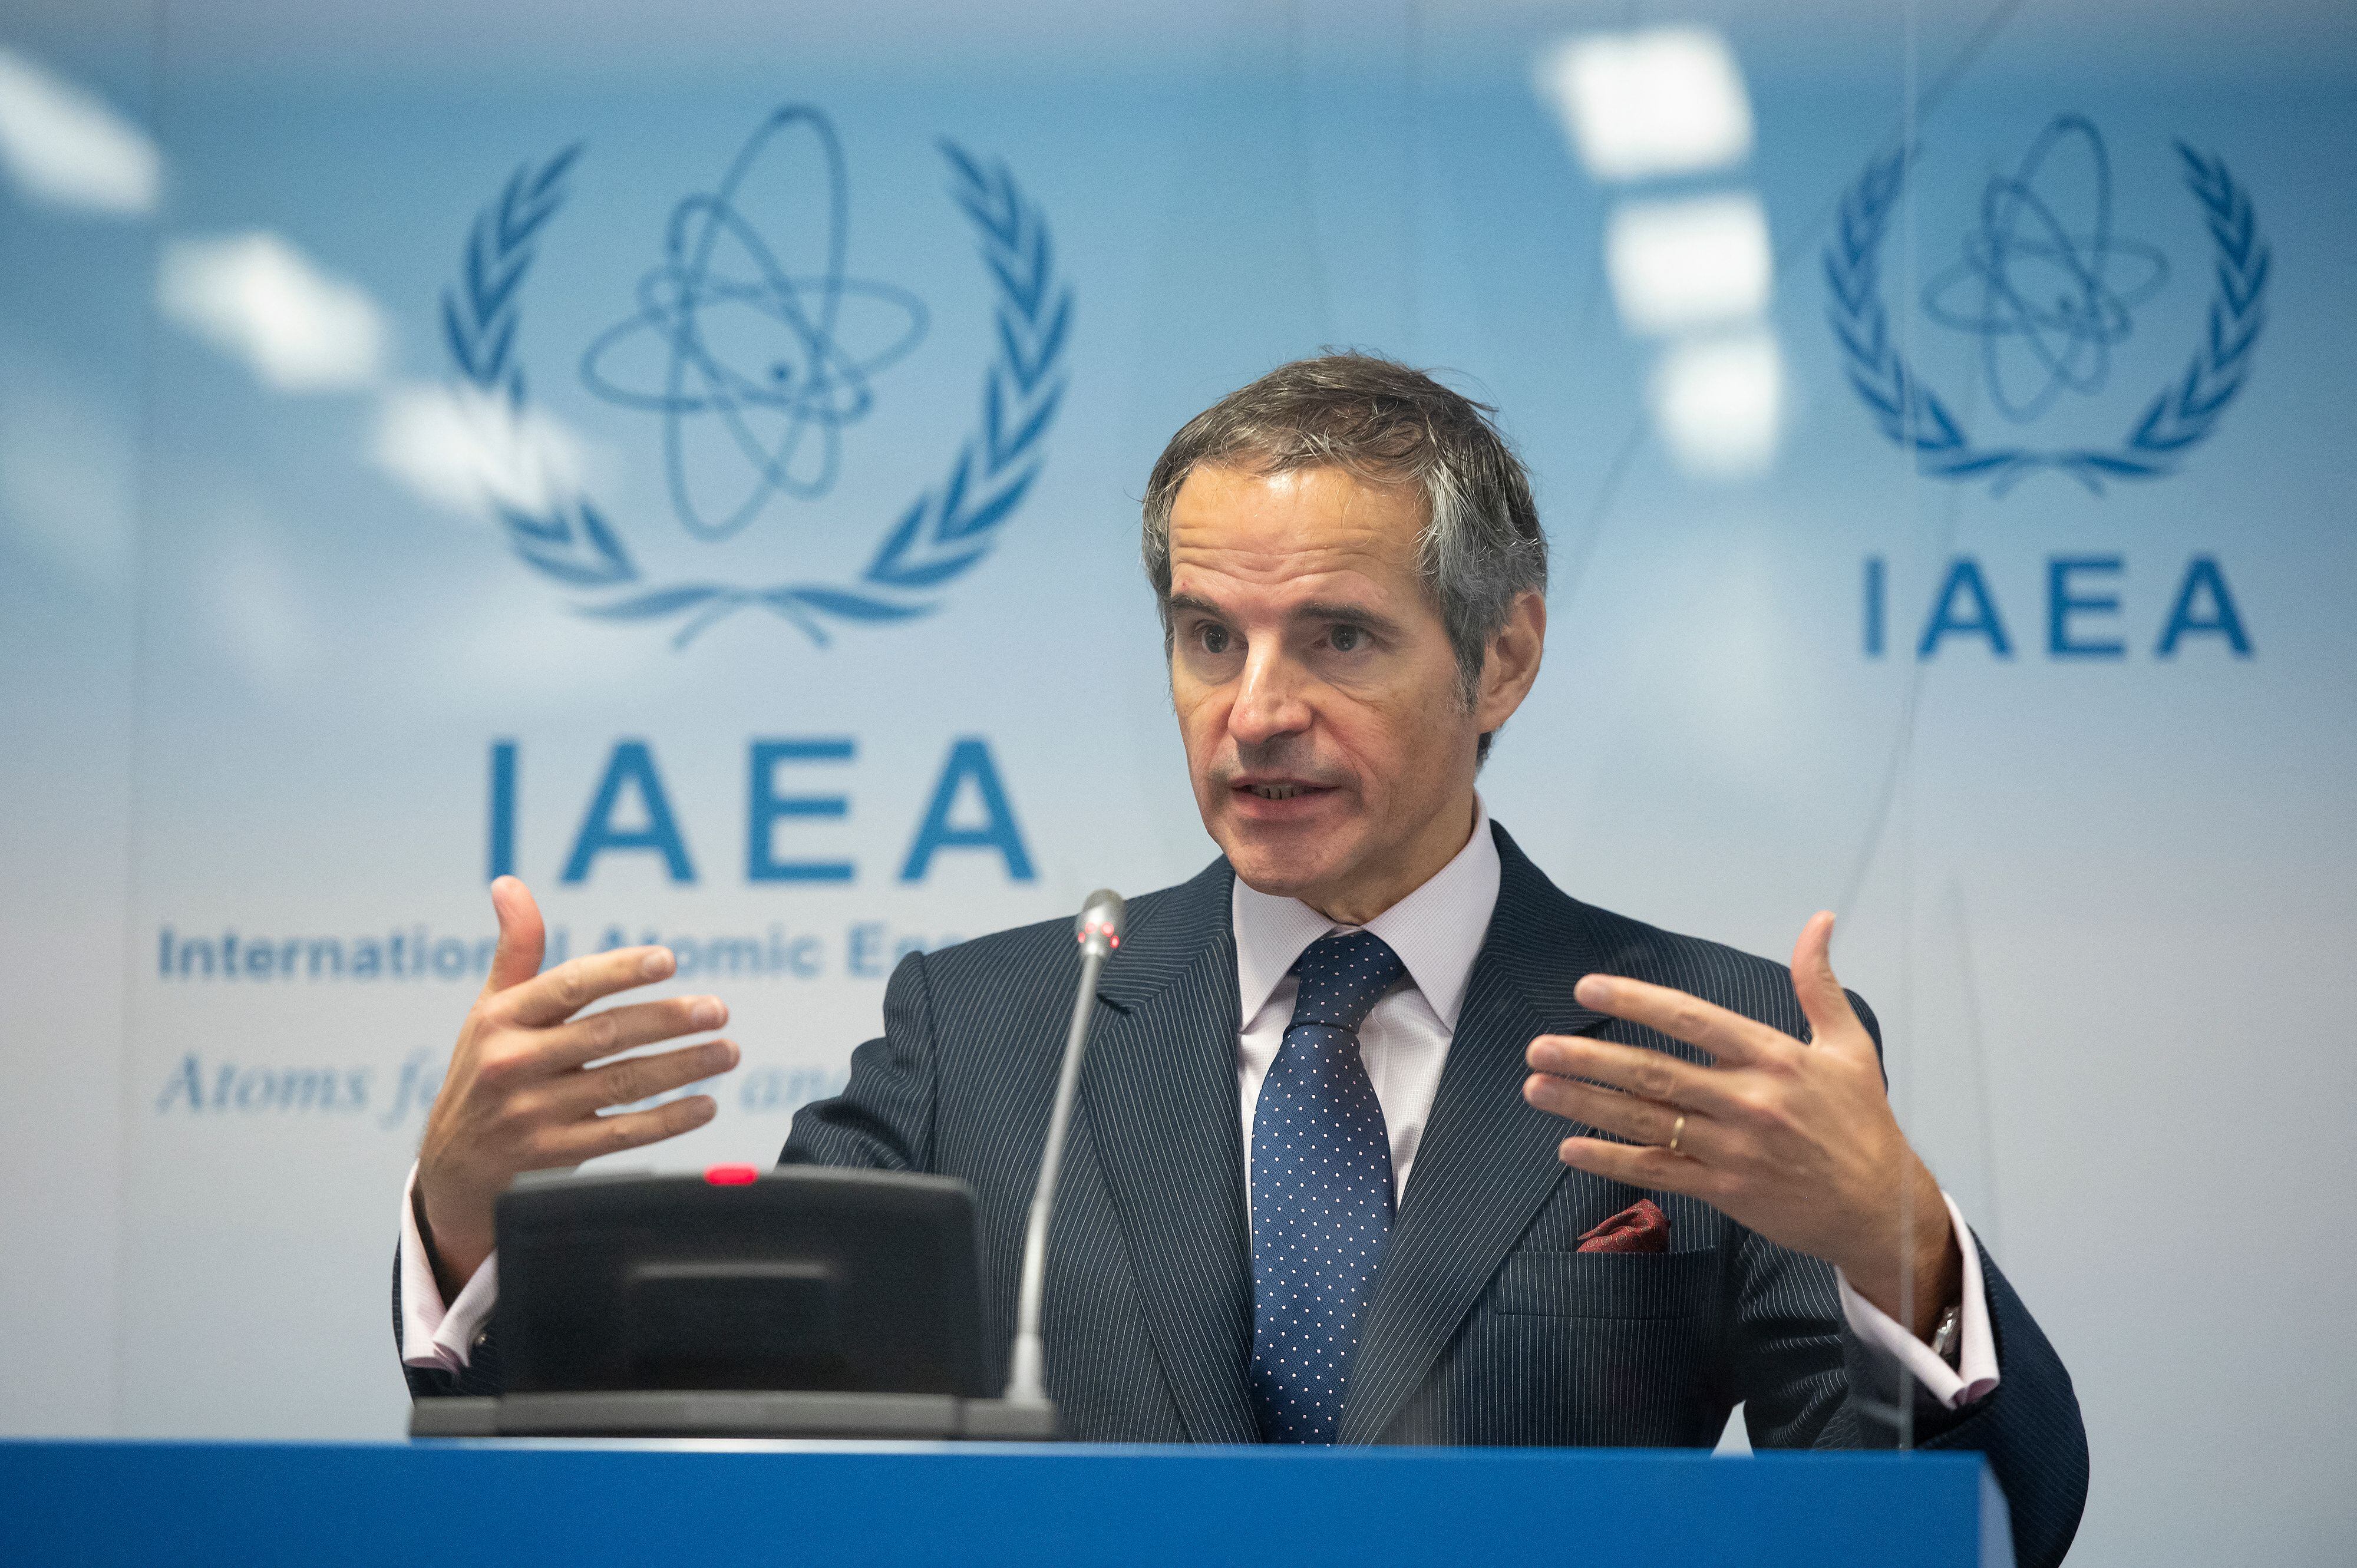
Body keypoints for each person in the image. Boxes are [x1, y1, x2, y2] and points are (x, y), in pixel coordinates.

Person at [395, 354, 2087, 1567]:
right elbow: (716, 1450)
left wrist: (1903, 1250)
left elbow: (1982, 1530)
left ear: (1503, 656)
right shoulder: (990, 1033)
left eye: (1337, 637)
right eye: (1211, 637)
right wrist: (469, 1227)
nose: (1255, 709)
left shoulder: (1708, 1042)